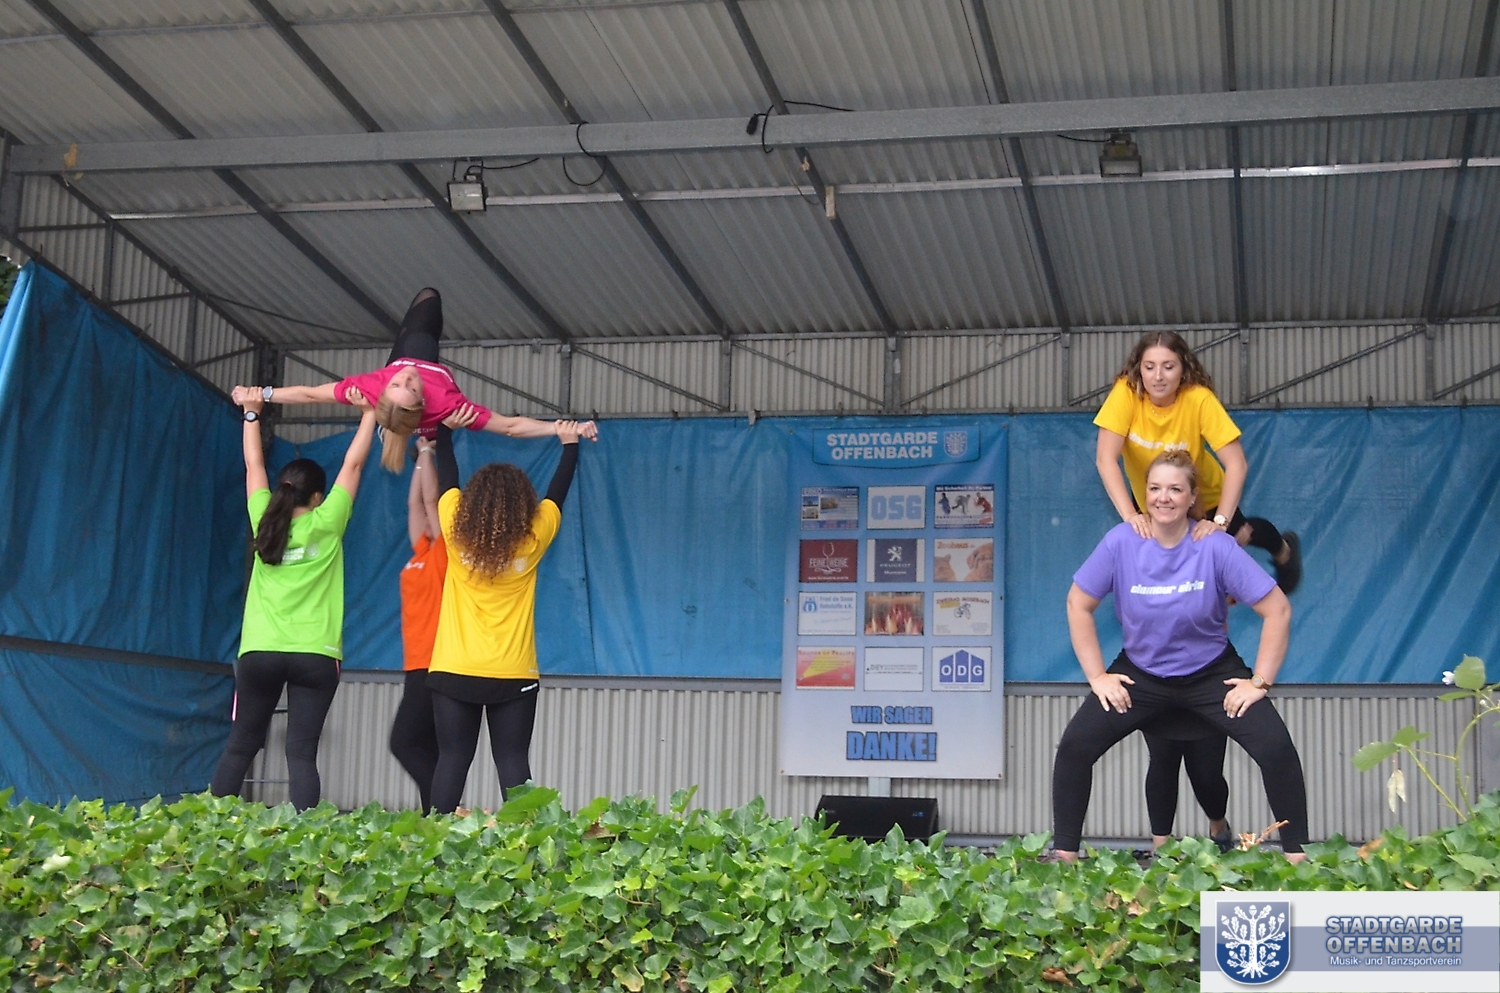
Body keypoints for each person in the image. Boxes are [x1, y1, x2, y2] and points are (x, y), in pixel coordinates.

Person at [1094, 330, 1301, 849]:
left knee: (1243, 536)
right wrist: (1131, 517)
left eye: (1168, 366)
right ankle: (1172, 840)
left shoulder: (1199, 399)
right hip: (1159, 507)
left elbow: (1236, 463)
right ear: (1137, 370)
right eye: (1149, 367)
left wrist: (1221, 523)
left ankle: (1281, 552)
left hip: (1202, 498)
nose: (1158, 376)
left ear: (1183, 369)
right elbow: (1106, 458)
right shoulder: (1126, 395)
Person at [1051, 450, 1307, 862]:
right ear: (1144, 494)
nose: (1163, 497)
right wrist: (1098, 677)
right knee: (1074, 747)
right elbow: (1077, 603)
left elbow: (1277, 609)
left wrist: (1259, 682)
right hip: (1142, 674)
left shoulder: (1216, 546)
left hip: (1211, 673)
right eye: (1155, 488)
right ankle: (1063, 858)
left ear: (1192, 497)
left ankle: (1298, 860)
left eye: (1175, 489)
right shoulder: (1121, 542)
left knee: (1276, 748)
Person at [209, 390, 377, 810]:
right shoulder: (328, 522)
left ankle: (208, 830)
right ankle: (307, 840)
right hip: (315, 653)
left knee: (240, 745)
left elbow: (254, 465)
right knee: (301, 753)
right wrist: (369, 413)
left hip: (260, 650)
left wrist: (251, 414)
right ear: (317, 497)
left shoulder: (262, 518)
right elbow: (354, 464)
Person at [231, 288, 597, 473]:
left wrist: (262, 393)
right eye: (408, 387)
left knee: (426, 301)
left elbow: (312, 395)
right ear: (423, 402)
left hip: (405, 373)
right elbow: (511, 427)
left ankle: (412, 436)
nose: (406, 378)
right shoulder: (447, 405)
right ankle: (427, 440)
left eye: (398, 385)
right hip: (432, 414)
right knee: (430, 307)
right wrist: (564, 427)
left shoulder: (372, 388)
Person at [425, 417, 585, 814]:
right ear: (522, 506)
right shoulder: (534, 537)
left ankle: (431, 845)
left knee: (452, 760)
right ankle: (525, 844)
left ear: (470, 504)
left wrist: (443, 428)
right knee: (513, 762)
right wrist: (570, 444)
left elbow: (448, 475)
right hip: (513, 673)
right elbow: (558, 491)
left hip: (453, 668)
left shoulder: (453, 527)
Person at [387, 436, 446, 812]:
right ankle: (436, 818)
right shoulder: (419, 552)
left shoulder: (444, 551)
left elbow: (430, 500)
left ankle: (442, 807)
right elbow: (415, 503)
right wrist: (421, 460)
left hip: (434, 662)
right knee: (428, 746)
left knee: (404, 742)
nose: (423, 514)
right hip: (417, 664)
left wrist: (426, 452)